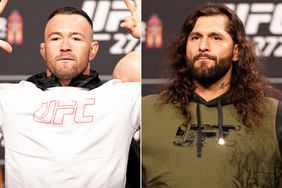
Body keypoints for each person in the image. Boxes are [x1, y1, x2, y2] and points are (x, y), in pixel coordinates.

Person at [0, 0, 141, 187]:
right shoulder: (12, 98)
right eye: (56, 38)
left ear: (93, 50)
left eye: (76, 38)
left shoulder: (120, 99)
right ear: (43, 50)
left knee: (133, 64)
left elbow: (178, 102)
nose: (65, 46)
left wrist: (145, 36)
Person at [142, 2, 282, 188]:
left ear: (236, 52)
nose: (203, 46)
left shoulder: (274, 114)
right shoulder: (146, 111)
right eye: (195, 37)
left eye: (216, 37)